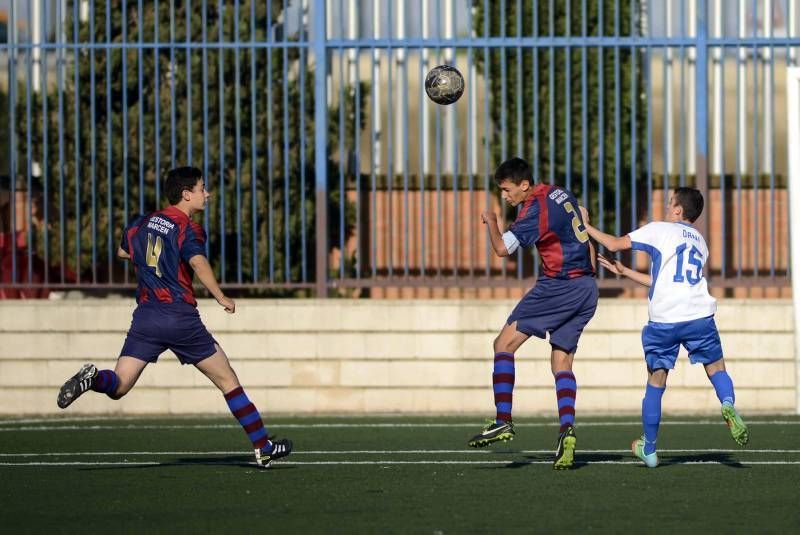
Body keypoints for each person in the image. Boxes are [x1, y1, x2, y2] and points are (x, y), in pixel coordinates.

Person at [56, 166, 292, 468]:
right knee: (227, 379)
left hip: (146, 317)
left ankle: (92, 379)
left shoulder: (141, 223)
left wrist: (153, 260)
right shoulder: (187, 228)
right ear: (186, 194)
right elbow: (197, 260)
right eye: (202, 188)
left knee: (119, 385)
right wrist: (220, 296)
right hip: (180, 317)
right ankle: (263, 446)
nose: (207, 194)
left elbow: (123, 252)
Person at [580, 187, 749, 468]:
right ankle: (728, 402)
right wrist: (625, 272)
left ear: (679, 210)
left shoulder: (659, 230)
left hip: (664, 320)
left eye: (670, 203)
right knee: (717, 368)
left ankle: (650, 448)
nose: (668, 207)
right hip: (698, 315)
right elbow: (666, 281)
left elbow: (613, 244)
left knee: (656, 384)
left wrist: (585, 227)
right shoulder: (700, 242)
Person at [468, 157, 598, 470]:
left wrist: (493, 222)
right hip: (587, 289)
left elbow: (502, 250)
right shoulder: (558, 192)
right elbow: (583, 214)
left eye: (506, 189)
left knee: (503, 345)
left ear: (524, 186)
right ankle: (567, 431)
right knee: (561, 361)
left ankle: (503, 420)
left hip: (558, 287)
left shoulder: (533, 210)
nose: (504, 196)